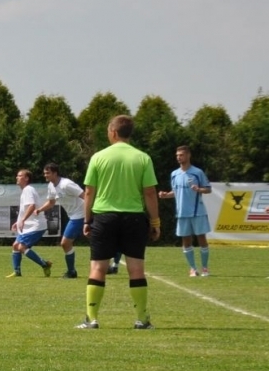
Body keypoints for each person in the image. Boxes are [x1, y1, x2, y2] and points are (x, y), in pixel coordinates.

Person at [79, 114, 160, 329]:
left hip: (104, 218)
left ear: (113, 132)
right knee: (136, 270)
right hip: (134, 218)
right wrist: (155, 222)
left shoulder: (98, 157)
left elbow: (88, 191)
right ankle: (142, 320)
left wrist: (87, 220)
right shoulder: (143, 158)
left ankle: (91, 319)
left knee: (98, 268)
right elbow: (150, 193)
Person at [158, 145, 212, 277]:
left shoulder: (197, 172)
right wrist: (166, 195)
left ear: (188, 155)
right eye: (177, 155)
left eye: (181, 155)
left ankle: (205, 268)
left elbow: (208, 189)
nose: (178, 157)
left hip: (197, 211)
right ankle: (193, 269)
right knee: (186, 240)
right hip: (182, 213)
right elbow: (175, 192)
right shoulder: (174, 174)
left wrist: (199, 189)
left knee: (201, 239)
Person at [8, 168, 53, 278]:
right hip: (29, 226)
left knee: (21, 247)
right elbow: (27, 208)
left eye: (19, 176)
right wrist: (18, 222)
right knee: (15, 246)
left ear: (26, 178)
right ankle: (17, 272)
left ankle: (44, 264)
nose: (17, 178)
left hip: (36, 225)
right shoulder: (25, 190)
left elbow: (32, 206)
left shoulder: (28, 189)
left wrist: (23, 220)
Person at [41, 163, 84, 278]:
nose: (45, 175)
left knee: (65, 243)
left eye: (48, 173)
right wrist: (39, 210)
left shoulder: (66, 184)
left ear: (55, 173)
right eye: (45, 173)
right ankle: (114, 260)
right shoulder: (51, 185)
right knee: (100, 238)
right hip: (73, 216)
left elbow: (85, 195)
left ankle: (71, 272)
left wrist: (93, 212)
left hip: (81, 214)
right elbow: (51, 203)